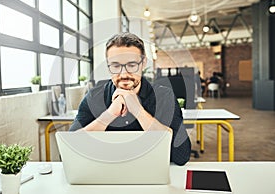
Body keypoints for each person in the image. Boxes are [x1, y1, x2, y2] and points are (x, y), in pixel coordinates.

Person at [69, 32, 191, 166]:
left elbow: (182, 155)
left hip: (150, 174)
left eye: (132, 65)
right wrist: (109, 115)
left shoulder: (163, 96)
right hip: (105, 173)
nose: (124, 74)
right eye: (115, 66)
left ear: (143, 63)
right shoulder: (94, 97)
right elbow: (71, 148)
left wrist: (138, 111)